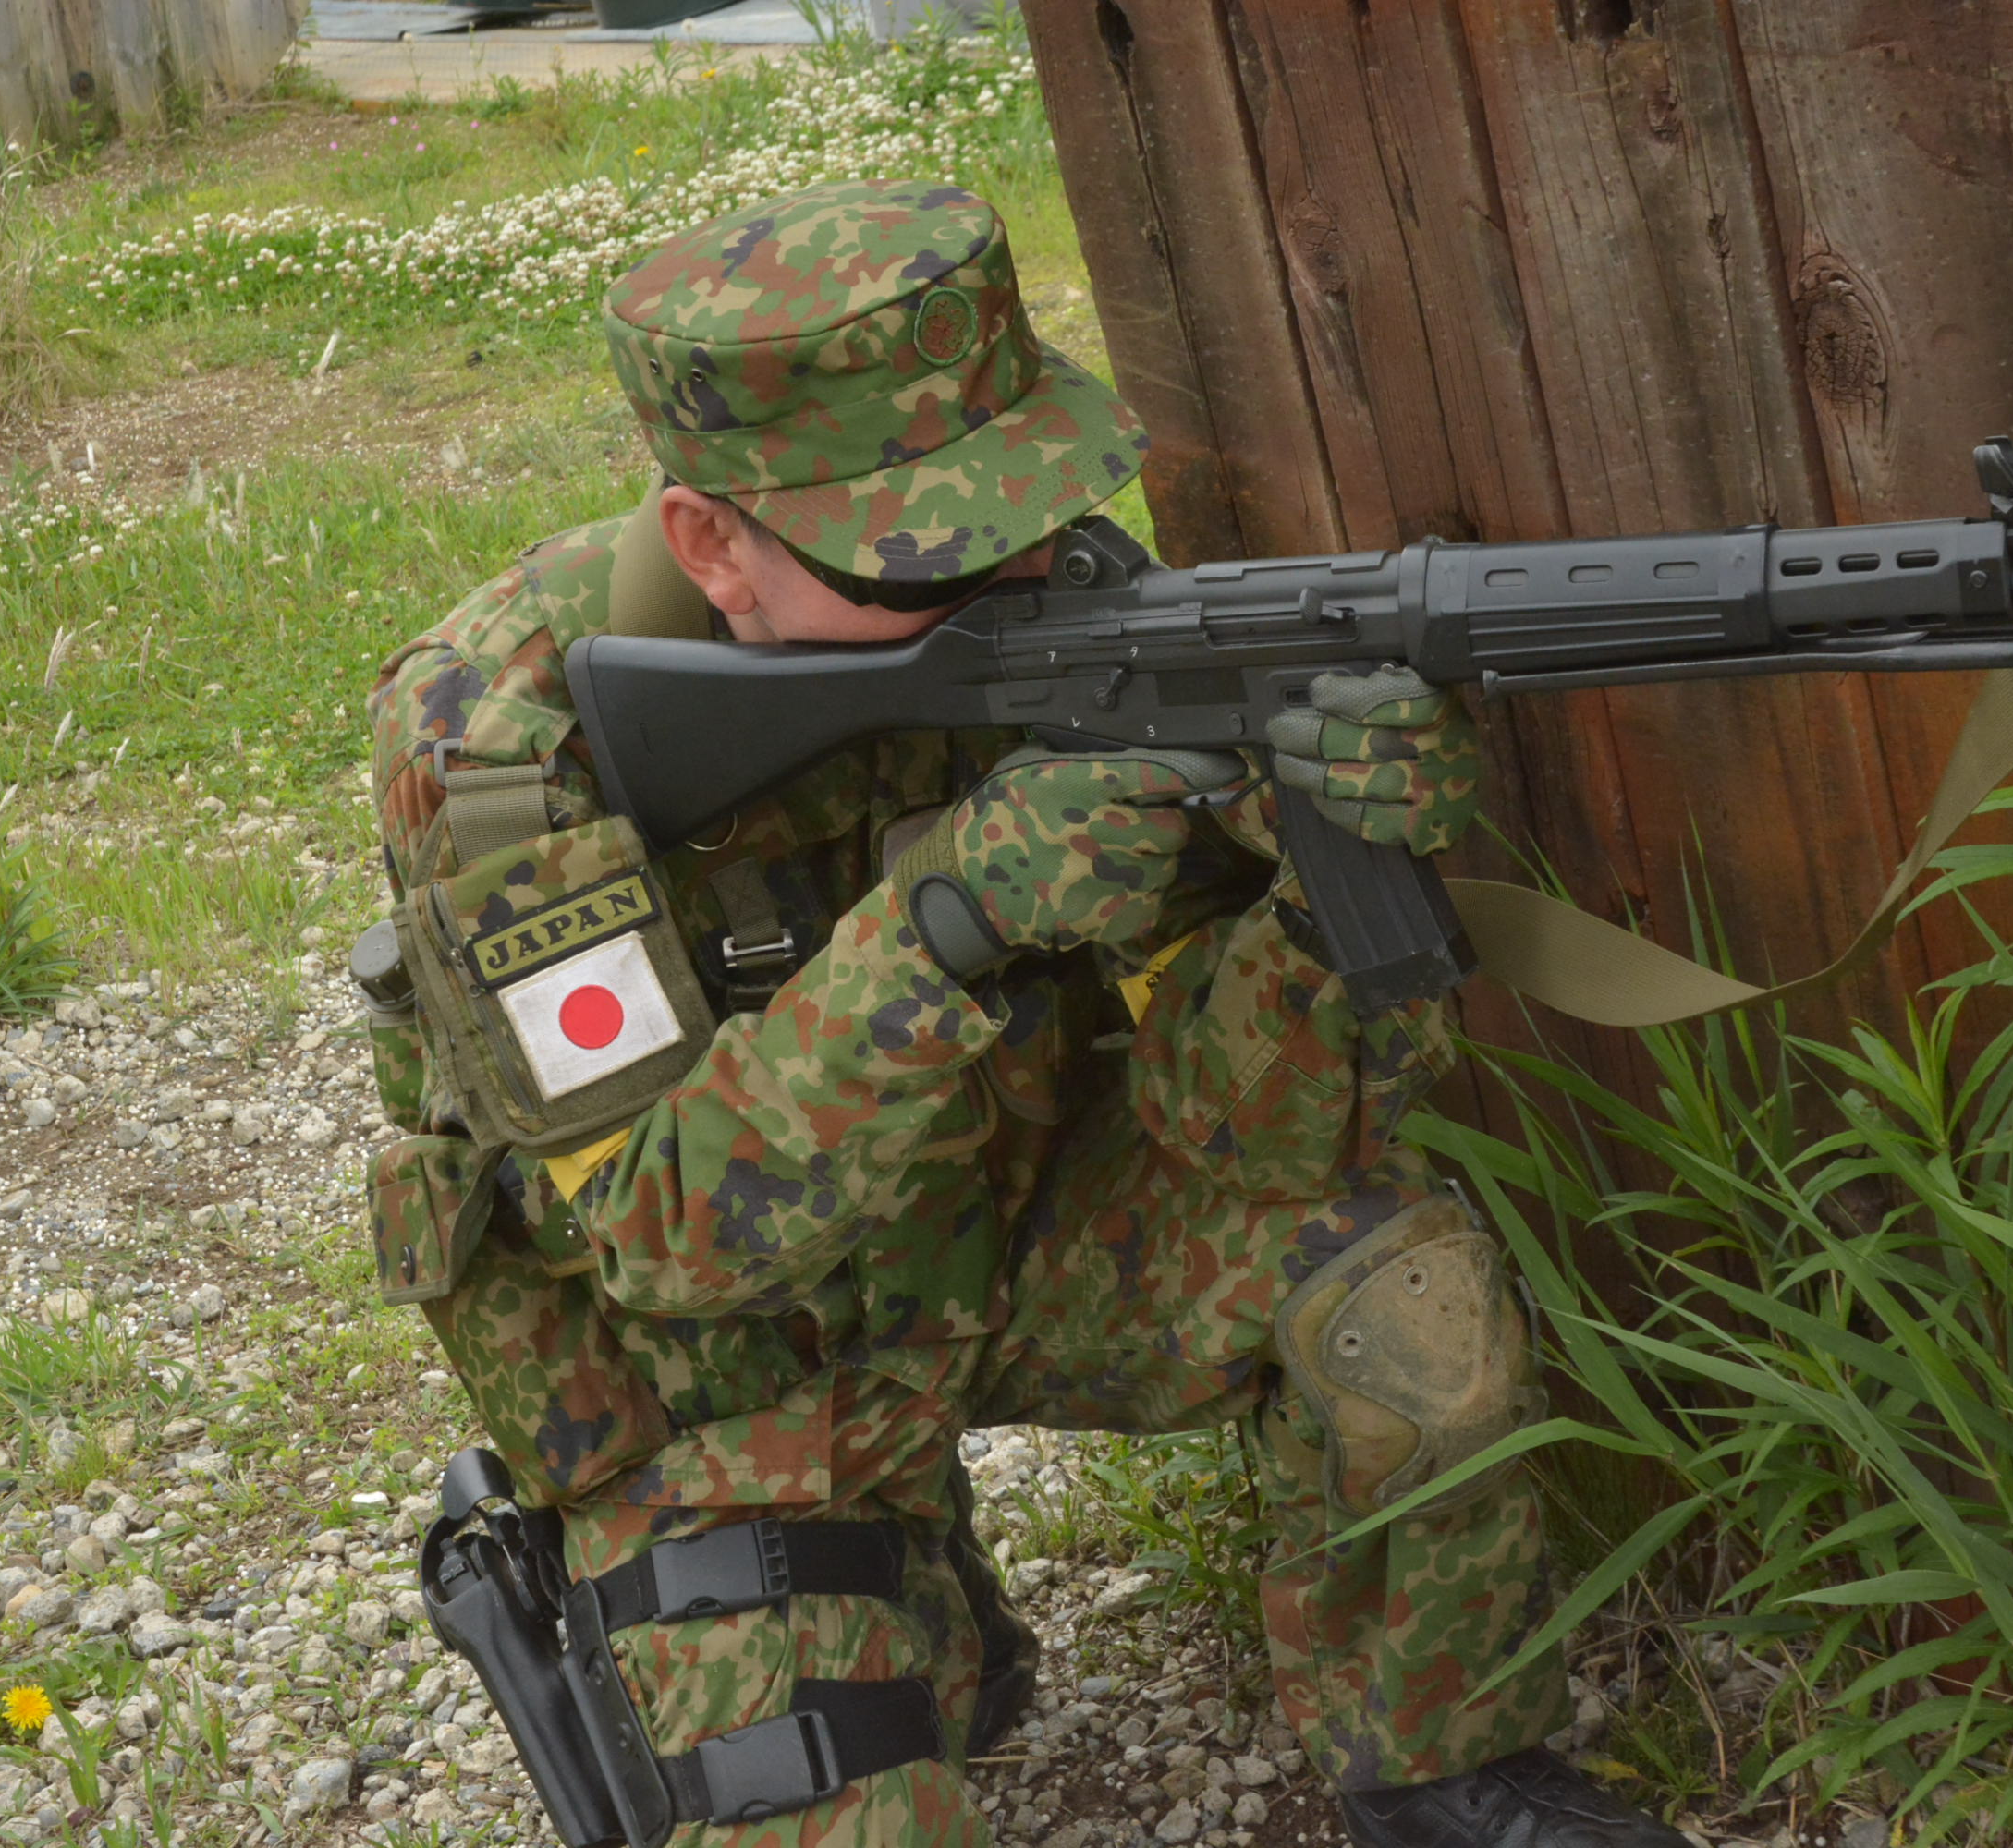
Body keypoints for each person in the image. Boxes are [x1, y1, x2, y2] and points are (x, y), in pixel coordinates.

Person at [362, 176, 1682, 1848]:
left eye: (1024, 516)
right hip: (730, 1388)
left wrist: (1322, 880)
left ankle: (1441, 1766)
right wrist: (952, 918)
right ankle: (885, 1578)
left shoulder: (1080, 615)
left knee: (1390, 1278)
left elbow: (1259, 1132)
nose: (1013, 578)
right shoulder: (501, 754)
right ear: (711, 546)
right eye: (927, 555)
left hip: (1014, 1237)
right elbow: (657, 1236)